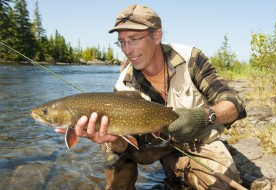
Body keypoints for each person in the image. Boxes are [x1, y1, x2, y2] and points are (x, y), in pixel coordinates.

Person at [56, 4, 246, 190]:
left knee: (223, 185)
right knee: (110, 148)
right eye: (122, 42)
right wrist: (111, 140)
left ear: (157, 36)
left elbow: (234, 103)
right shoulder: (124, 83)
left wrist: (205, 116)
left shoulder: (191, 59)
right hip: (150, 145)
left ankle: (176, 166)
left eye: (134, 39)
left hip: (196, 141)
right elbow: (125, 144)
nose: (127, 49)